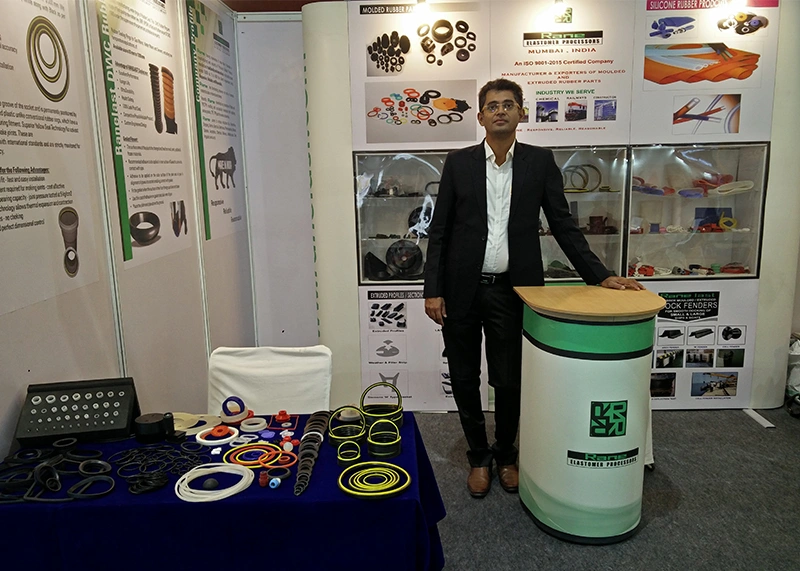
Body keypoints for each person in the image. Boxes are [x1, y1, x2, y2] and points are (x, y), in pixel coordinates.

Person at [423, 78, 643, 498]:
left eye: (508, 104)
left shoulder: (539, 162)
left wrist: (599, 275)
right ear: (480, 116)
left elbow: (562, 224)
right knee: (465, 377)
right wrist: (432, 289)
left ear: (521, 113)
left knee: (509, 381)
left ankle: (506, 454)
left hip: (514, 291)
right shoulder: (459, 162)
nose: (500, 111)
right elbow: (440, 231)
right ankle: (478, 457)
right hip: (460, 290)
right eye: (492, 106)